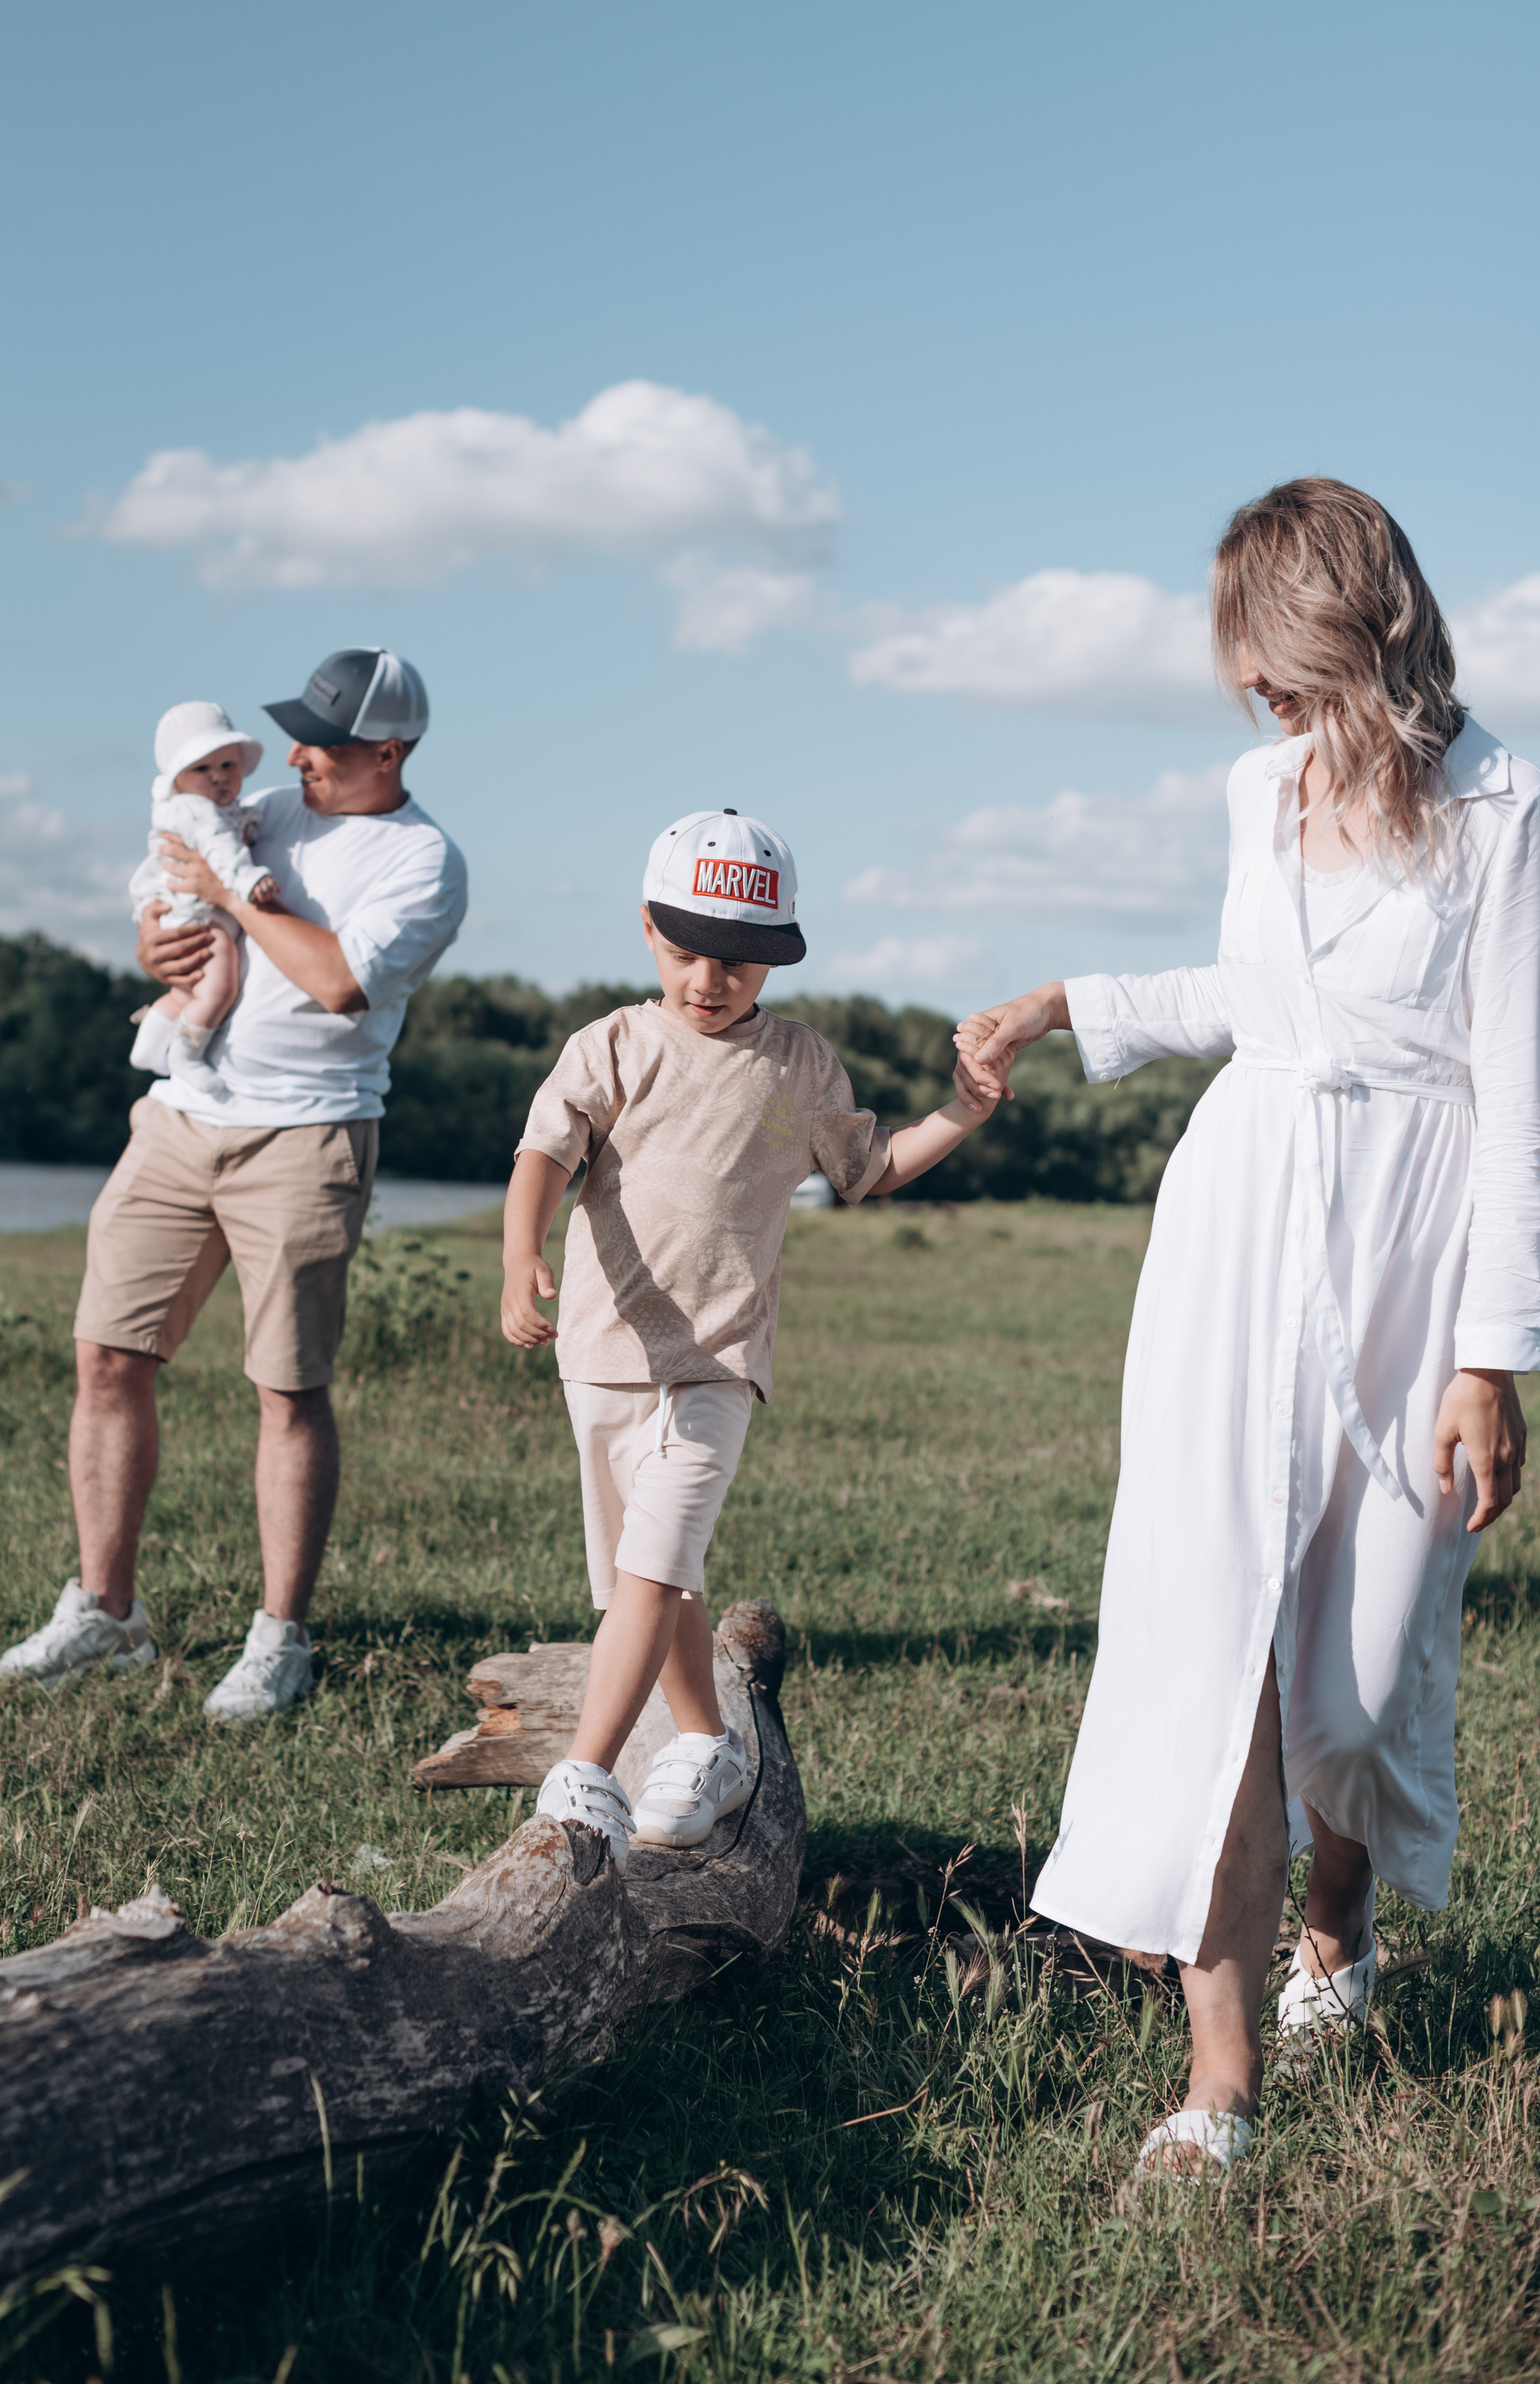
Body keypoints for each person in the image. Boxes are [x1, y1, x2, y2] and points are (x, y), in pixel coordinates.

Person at [957, 479, 1535, 2180]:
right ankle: (1215, 2086)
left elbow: (1513, 1093)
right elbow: (1259, 997)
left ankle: (1333, 1931)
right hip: (1234, 1224)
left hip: (1412, 1246)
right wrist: (1076, 999)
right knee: (1208, 1643)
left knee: (1349, 1687)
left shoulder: (1499, 803)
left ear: (1357, 631)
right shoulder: (1249, 789)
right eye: (1243, 675)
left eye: (1278, 666)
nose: (1258, 702)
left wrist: (1488, 1353)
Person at [501, 808, 1003, 1869]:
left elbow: (872, 1169)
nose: (709, 979)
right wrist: (521, 1255)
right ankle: (706, 1741)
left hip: (720, 1361)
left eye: (737, 961)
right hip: (603, 1351)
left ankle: (585, 1772)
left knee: (657, 1555)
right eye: (687, 952)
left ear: (772, 958)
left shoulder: (799, 1066)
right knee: (653, 1573)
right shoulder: (614, 1045)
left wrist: (961, 1110)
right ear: (649, 932)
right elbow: (543, 1154)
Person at [0, 647, 468, 1720]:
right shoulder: (265, 810)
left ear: (386, 752)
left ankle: (279, 1641)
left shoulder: (427, 862)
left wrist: (230, 899)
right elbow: (175, 888)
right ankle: (106, 1612)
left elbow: (338, 980)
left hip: (307, 1136)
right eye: (294, 733)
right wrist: (159, 938)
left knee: (287, 1388)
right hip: (183, 1114)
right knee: (108, 1353)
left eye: (323, 743)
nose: (295, 755)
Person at [127, 700, 282, 1100]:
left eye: (228, 766)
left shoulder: (210, 809)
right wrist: (249, 880)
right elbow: (222, 852)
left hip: (185, 915)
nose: (218, 778)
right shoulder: (197, 813)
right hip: (200, 919)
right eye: (201, 769)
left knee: (186, 991)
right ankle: (186, 1056)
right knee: (219, 986)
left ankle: (147, 1049)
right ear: (177, 777)